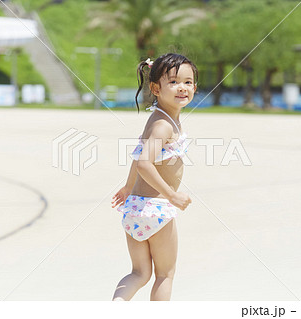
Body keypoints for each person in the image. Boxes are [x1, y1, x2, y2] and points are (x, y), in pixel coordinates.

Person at [111, 53, 198, 301]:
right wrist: (172, 196)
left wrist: (128, 187)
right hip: (157, 208)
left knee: (139, 273)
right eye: (173, 82)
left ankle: (116, 305)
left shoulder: (157, 119)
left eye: (188, 82)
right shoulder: (164, 126)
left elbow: (139, 154)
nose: (182, 88)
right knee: (164, 275)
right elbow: (144, 163)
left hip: (135, 209)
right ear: (155, 88)